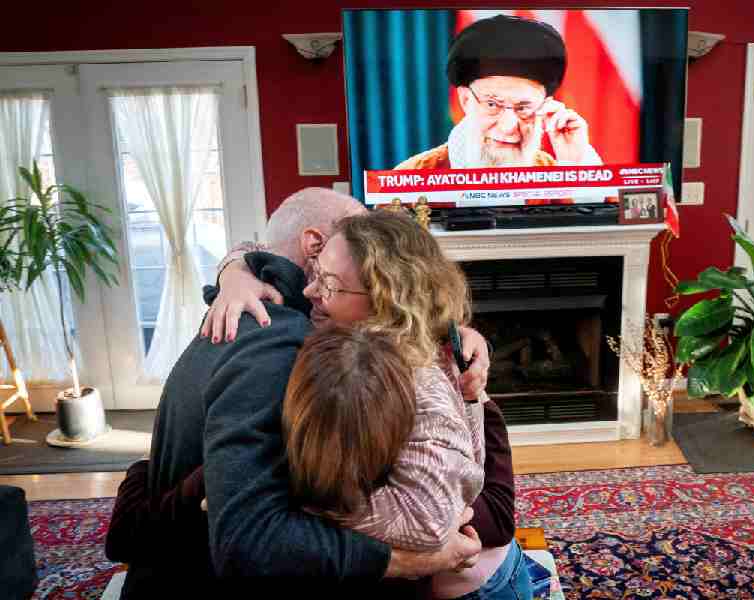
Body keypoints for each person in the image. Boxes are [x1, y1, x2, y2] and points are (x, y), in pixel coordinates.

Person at [107, 189, 486, 598]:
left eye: (330, 282)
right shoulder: (281, 350)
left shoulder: (260, 316)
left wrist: (234, 271)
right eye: (321, 270)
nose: (312, 291)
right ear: (314, 246)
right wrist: (407, 562)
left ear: (385, 296)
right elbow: (247, 541)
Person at [395, 15, 603, 170]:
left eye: (524, 108)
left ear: (546, 107)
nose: (508, 127)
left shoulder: (555, 172)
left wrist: (576, 166)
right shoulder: (412, 176)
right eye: (492, 104)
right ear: (466, 100)